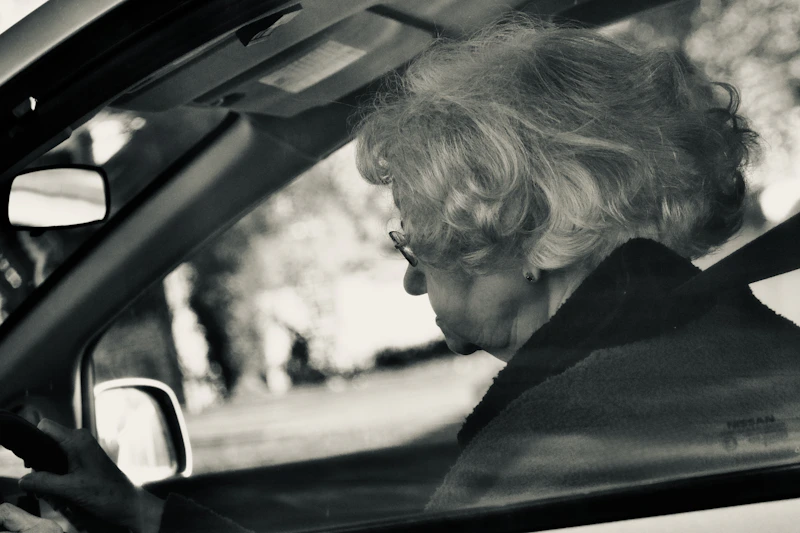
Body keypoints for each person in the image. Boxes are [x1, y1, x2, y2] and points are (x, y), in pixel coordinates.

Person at [6, 16, 800, 533]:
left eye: (416, 244)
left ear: (541, 236)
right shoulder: (731, 348)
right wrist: (145, 519)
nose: (415, 284)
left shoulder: (556, 446)